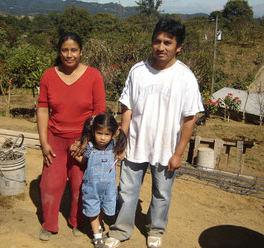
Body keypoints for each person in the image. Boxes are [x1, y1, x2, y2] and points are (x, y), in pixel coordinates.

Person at [104, 18, 204, 248]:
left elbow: (190, 119)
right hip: (135, 145)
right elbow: (127, 107)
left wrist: (179, 153)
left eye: (167, 42)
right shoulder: (138, 71)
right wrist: (123, 139)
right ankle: (121, 230)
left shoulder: (185, 77)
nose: (161, 47)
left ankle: (155, 229)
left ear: (179, 47)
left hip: (166, 149)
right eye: (157, 41)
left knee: (161, 194)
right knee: (127, 191)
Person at [37, 31, 106, 241]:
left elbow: (98, 111)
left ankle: (77, 221)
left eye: (73, 50)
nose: (69, 55)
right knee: (50, 184)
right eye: (65, 50)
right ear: (59, 52)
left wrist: (86, 141)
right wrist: (43, 142)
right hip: (55, 139)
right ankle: (49, 223)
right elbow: (42, 109)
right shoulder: (49, 75)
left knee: (79, 184)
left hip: (82, 141)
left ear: (81, 51)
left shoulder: (94, 75)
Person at [75, 113, 126, 248]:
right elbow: (84, 162)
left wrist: (120, 155)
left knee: (103, 207)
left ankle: (98, 224)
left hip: (108, 186)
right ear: (93, 131)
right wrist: (73, 155)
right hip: (92, 186)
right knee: (93, 207)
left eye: (107, 134)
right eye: (99, 133)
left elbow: (119, 154)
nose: (103, 138)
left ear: (112, 134)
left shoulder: (113, 146)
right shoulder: (89, 147)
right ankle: (97, 236)